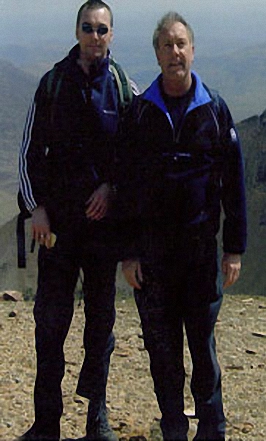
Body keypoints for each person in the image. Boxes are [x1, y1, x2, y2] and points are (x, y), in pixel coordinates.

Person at [120, 11, 247, 441]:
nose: (175, 52)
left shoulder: (213, 110)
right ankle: (173, 425)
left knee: (202, 345)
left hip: (198, 250)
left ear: (193, 50)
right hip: (154, 254)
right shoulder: (140, 114)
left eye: (181, 44)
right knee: (162, 348)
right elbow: (127, 187)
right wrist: (130, 252)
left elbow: (235, 182)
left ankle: (213, 428)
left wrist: (234, 248)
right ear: (156, 54)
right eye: (166, 45)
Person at [17, 1, 137, 440]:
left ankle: (96, 418)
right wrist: (37, 209)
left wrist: (113, 189)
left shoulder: (124, 88)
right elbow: (29, 153)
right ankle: (46, 421)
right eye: (87, 28)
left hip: (103, 232)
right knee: (50, 324)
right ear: (77, 31)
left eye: (102, 29)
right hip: (58, 232)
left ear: (111, 35)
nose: (94, 36)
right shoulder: (52, 85)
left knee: (100, 323)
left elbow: (137, 153)